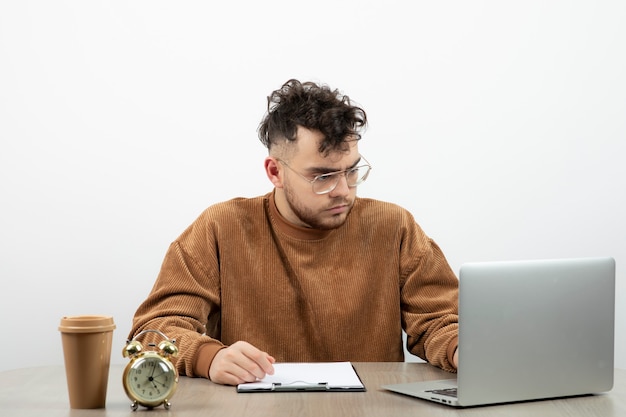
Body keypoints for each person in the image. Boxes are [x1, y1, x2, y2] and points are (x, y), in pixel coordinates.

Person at [129, 79, 459, 386]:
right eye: (323, 176)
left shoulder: (394, 226)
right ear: (275, 172)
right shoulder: (220, 227)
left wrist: (462, 349)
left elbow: (440, 321)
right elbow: (152, 332)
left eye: (353, 170)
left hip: (369, 409)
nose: (343, 190)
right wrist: (209, 357)